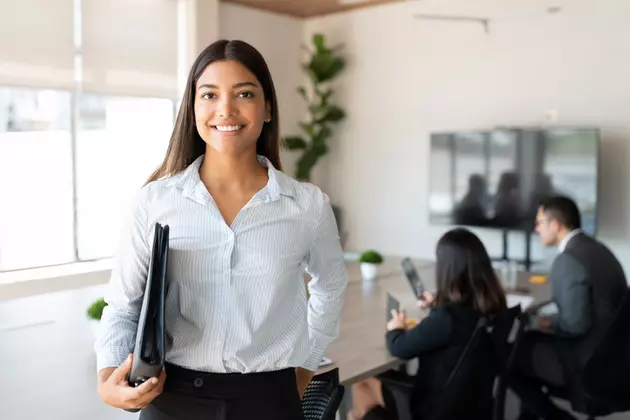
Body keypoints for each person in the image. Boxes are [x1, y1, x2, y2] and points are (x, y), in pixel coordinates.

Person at [94, 39, 348, 420]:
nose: (225, 109)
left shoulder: (308, 206)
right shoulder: (155, 201)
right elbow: (124, 305)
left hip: (270, 401)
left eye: (244, 93)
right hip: (172, 400)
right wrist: (107, 377)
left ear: (267, 109)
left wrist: (306, 366)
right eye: (209, 95)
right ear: (193, 108)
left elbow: (331, 286)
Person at [349, 228, 507, 420]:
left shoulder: (447, 317)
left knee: (361, 383)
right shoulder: (494, 304)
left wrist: (395, 328)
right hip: (474, 402)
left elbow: (399, 347)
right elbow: (457, 325)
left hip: (438, 406)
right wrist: (438, 302)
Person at [510, 195, 628, 420]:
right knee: (528, 343)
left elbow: (574, 325)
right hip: (614, 356)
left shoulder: (568, 260)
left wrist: (545, 321)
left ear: (555, 225)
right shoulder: (598, 249)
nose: (536, 229)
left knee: (510, 353)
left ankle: (555, 417)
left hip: (587, 361)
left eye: (540, 223)